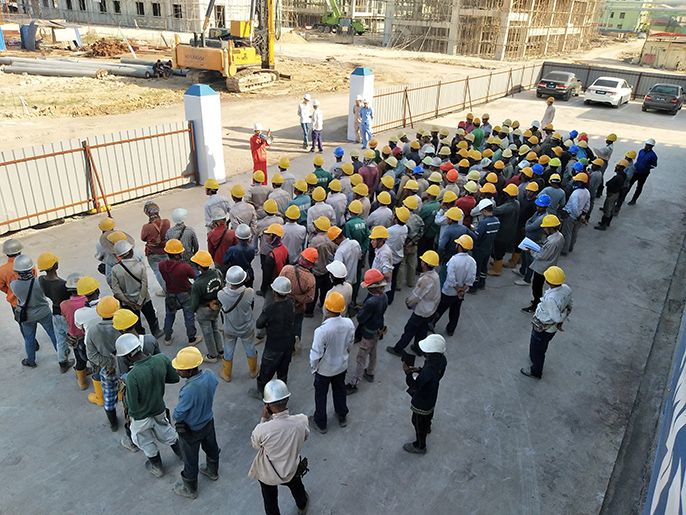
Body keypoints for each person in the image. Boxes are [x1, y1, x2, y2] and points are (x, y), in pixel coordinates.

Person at [118, 333, 182, 477]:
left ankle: (157, 467)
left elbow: (133, 406)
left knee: (145, 441)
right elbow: (174, 378)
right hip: (159, 409)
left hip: (141, 417)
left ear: (127, 357)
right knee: (168, 432)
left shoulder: (132, 376)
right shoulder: (161, 359)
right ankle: (183, 455)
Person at [249, 379, 310, 515]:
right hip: (291, 468)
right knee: (297, 487)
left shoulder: (262, 430)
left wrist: (264, 419)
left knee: (270, 500)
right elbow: (305, 436)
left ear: (267, 406)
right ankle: (302, 504)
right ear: (287, 399)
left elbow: (255, 445)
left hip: (268, 473)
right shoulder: (301, 420)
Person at [171, 346, 221, 499]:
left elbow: (178, 414)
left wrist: (175, 415)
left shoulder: (189, 390)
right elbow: (214, 384)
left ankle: (190, 489)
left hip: (191, 430)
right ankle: (212, 471)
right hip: (208, 422)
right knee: (211, 447)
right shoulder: (209, 375)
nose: (177, 371)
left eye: (180, 369)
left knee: (190, 459)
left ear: (190, 371)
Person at [309, 291, 355, 434]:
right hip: (341, 366)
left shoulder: (322, 330)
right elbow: (350, 343)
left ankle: (321, 422)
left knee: (320, 395)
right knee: (340, 390)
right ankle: (342, 415)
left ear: (326, 308)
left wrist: (314, 368)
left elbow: (316, 353)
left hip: (324, 369)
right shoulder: (349, 323)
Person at [386, 251, 441, 364]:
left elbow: (416, 296)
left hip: (421, 310)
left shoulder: (425, 280)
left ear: (425, 264)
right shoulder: (435, 276)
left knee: (409, 330)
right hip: (430, 310)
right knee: (422, 330)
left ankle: (398, 348)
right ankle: (418, 348)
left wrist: (409, 303)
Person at [520, 266, 572, 379]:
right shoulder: (566, 289)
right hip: (551, 329)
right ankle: (534, 357)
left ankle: (536, 371)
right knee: (542, 345)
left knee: (538, 349)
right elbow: (569, 304)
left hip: (544, 327)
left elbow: (557, 318)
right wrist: (565, 314)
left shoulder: (551, 299)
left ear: (548, 281)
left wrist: (562, 316)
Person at [11, 255, 59, 368]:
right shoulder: (40, 281)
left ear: (17, 271)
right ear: (31, 269)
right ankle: (62, 354)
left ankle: (31, 361)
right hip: (44, 312)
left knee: (29, 338)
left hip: (27, 316)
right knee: (53, 333)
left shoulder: (14, 285)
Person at [403, 334, 447, 454]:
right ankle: (427, 427)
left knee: (417, 422)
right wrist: (419, 370)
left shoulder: (428, 371)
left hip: (422, 402)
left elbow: (414, 385)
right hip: (432, 396)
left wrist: (408, 374)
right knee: (428, 416)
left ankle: (420, 445)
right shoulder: (442, 360)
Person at [346, 268, 388, 394]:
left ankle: (354, 383)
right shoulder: (384, 296)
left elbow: (361, 318)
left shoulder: (371, 302)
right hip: (378, 329)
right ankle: (370, 372)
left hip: (368, 333)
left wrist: (360, 311)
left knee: (361, 357)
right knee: (373, 352)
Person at [253, 277, 296, 397]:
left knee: (266, 371)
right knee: (283, 371)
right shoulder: (291, 304)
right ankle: (281, 393)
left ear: (274, 292)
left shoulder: (270, 309)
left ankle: (262, 392)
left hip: (273, 345)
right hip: (287, 344)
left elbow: (259, 324)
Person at [111, 239, 162, 338]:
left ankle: (140, 336)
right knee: (151, 316)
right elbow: (144, 285)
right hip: (144, 299)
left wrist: (128, 302)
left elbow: (116, 290)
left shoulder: (115, 269)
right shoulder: (140, 266)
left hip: (128, 301)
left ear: (119, 255)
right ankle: (156, 332)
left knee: (135, 322)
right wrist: (140, 302)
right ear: (131, 251)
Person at [85, 295, 122, 430]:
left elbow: (91, 355)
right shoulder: (122, 326)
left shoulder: (93, 331)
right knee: (130, 395)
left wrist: (109, 364)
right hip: (126, 368)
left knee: (109, 396)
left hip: (108, 371)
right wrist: (117, 362)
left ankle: (113, 423)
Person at [218, 266, 258, 382]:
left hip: (229, 329)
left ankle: (227, 374)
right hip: (246, 328)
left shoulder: (221, 294)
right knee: (250, 348)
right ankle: (253, 370)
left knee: (228, 350)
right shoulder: (249, 292)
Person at [431, 235, 476, 336]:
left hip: (449, 291)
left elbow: (450, 278)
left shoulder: (454, 260)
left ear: (459, 246)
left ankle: (431, 323)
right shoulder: (472, 262)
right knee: (455, 311)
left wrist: (457, 288)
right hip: (460, 294)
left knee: (440, 309)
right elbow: (471, 278)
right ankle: (451, 329)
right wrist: (462, 290)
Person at [36, 252, 73, 373]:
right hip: (65, 315)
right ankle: (81, 366)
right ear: (55, 266)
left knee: (60, 339)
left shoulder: (41, 280)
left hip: (55, 313)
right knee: (74, 339)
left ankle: (63, 363)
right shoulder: (63, 284)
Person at [159, 239, 200, 345]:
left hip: (170, 294)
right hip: (185, 294)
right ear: (177, 255)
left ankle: (167, 338)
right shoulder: (184, 267)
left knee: (169, 316)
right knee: (189, 316)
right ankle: (192, 338)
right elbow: (193, 275)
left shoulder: (161, 265)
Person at [522, 215, 565, 313]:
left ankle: (536, 305)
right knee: (538, 286)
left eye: (545, 227)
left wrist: (530, 251)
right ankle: (536, 301)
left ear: (551, 228)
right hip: (551, 263)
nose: (544, 229)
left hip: (542, 267)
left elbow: (541, 256)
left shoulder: (552, 242)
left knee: (536, 287)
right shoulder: (559, 236)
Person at [190, 250, 223, 363]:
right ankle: (221, 351)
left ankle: (212, 355)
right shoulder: (217, 273)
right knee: (215, 328)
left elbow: (194, 302)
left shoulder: (197, 283)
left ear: (199, 266)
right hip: (216, 306)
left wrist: (193, 310)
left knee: (207, 332)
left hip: (203, 310)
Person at [60, 273, 90, 391]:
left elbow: (65, 318)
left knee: (79, 359)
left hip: (75, 338)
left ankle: (82, 382)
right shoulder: (88, 301)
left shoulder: (64, 305)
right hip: (88, 335)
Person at [280, 249, 317, 341]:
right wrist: (297, 297)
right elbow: (310, 298)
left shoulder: (287, 269)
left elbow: (279, 285)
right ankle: (295, 344)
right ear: (311, 265)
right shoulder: (310, 279)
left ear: (301, 258)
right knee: (297, 327)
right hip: (298, 308)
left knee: (282, 325)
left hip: (283, 304)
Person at [306, 217, 337, 315]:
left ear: (318, 228)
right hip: (328, 269)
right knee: (325, 290)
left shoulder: (315, 240)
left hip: (316, 269)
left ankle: (309, 311)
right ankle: (323, 305)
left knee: (313, 291)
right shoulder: (331, 238)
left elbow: (309, 253)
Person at [488, 184, 520, 276]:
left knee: (498, 251)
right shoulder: (517, 203)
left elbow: (495, 211)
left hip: (502, 233)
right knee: (500, 250)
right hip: (510, 231)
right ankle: (496, 264)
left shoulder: (508, 206)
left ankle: (497, 270)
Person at [468, 199, 500, 292]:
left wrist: (471, 230)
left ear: (485, 210)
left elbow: (477, 236)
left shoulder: (484, 222)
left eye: (482, 211)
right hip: (489, 247)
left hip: (479, 248)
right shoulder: (497, 221)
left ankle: (473, 287)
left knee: (476, 267)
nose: (481, 213)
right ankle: (482, 284)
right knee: (484, 267)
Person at [140, 201, 170, 294]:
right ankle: (173, 287)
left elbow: (143, 238)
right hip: (166, 250)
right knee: (169, 270)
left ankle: (166, 291)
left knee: (158, 271)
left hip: (153, 253)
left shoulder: (146, 227)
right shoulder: (166, 222)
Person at [560, 173, 590, 255]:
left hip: (571, 215)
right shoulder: (586, 192)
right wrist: (583, 215)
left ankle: (564, 250)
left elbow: (574, 207)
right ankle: (570, 247)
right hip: (579, 216)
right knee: (574, 233)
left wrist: (578, 215)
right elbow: (587, 205)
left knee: (567, 233)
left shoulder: (575, 193)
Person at [595, 160, 628, 231]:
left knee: (607, 209)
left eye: (617, 166)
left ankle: (603, 225)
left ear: (621, 167)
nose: (615, 167)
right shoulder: (623, 175)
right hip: (616, 194)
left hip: (612, 194)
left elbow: (609, 184)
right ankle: (607, 222)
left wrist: (608, 184)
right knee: (611, 208)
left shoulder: (618, 177)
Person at [628, 138, 658, 205]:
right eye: (647, 145)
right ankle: (622, 197)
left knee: (639, 187)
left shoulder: (653, 156)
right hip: (635, 171)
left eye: (649, 145)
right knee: (629, 185)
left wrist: (646, 167)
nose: (647, 146)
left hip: (644, 174)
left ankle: (633, 200)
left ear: (652, 146)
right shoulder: (641, 151)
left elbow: (654, 165)